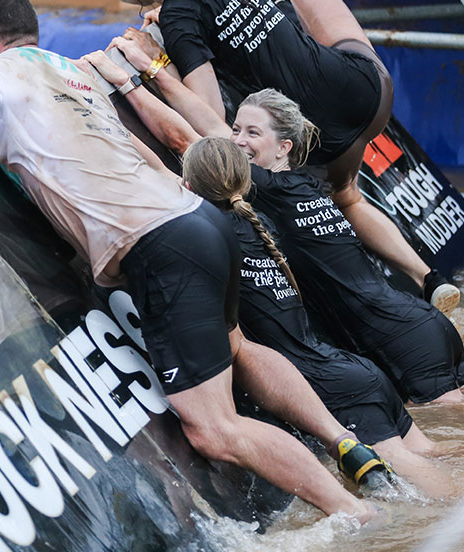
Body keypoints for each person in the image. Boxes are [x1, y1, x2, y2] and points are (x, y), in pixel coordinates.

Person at [0, 0, 383, 523]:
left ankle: (354, 514)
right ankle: (345, 444)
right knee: (237, 347)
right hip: (198, 220)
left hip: (158, 246)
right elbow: (147, 150)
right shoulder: (70, 70)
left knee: (213, 429)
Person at [88, 0, 459, 315]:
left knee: (347, 198)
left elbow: (210, 112)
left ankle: (423, 277)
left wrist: (158, 60)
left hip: (331, 143)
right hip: (370, 89)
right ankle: (431, 279)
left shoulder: (180, 18)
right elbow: (214, 14)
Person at [180, 136, 458, 499]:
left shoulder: (206, 237)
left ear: (187, 187)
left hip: (330, 387)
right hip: (354, 371)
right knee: (433, 454)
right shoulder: (258, 223)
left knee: (436, 500)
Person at [232, 89, 464, 404]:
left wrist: (151, 72)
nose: (238, 140)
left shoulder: (273, 189)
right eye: (236, 129)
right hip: (419, 326)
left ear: (283, 147)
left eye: (253, 132)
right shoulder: (307, 186)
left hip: (404, 345)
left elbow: (193, 137)